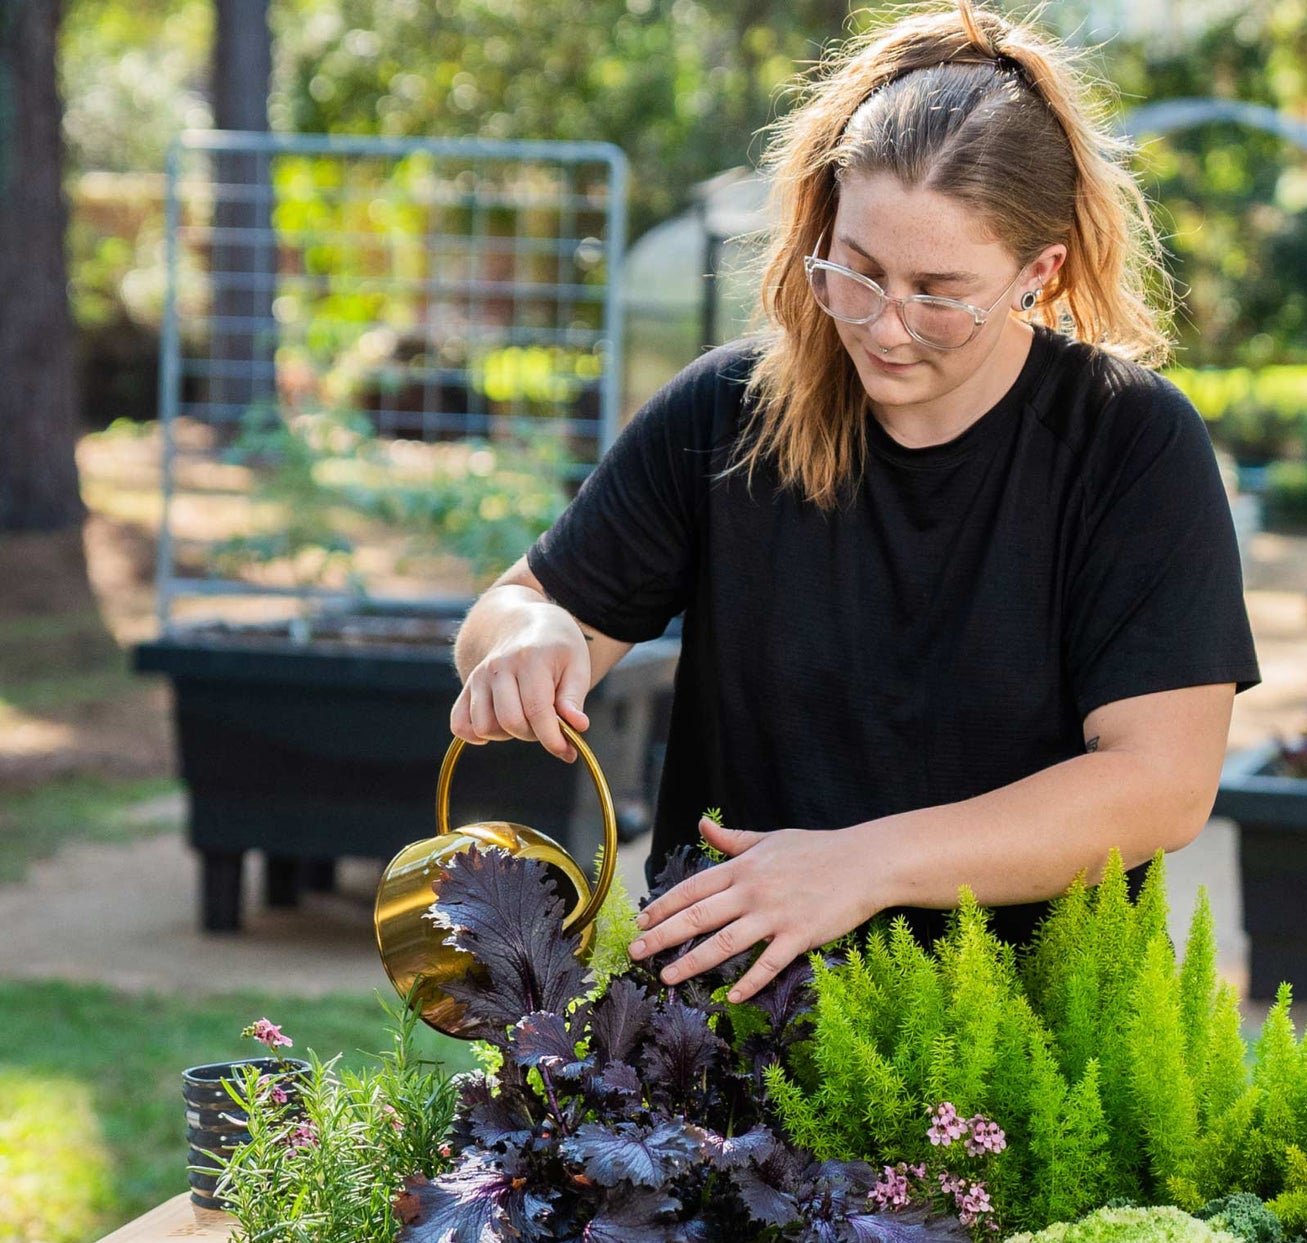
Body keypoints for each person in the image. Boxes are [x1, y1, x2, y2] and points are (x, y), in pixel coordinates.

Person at [450, 0, 1259, 1006]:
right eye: (858, 273)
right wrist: (528, 636)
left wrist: (861, 865)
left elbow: (1161, 785)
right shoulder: (729, 410)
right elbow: (516, 608)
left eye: (938, 293)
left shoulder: (1127, 442)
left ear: (1038, 273)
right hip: (732, 1018)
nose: (884, 326)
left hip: (1027, 1045)